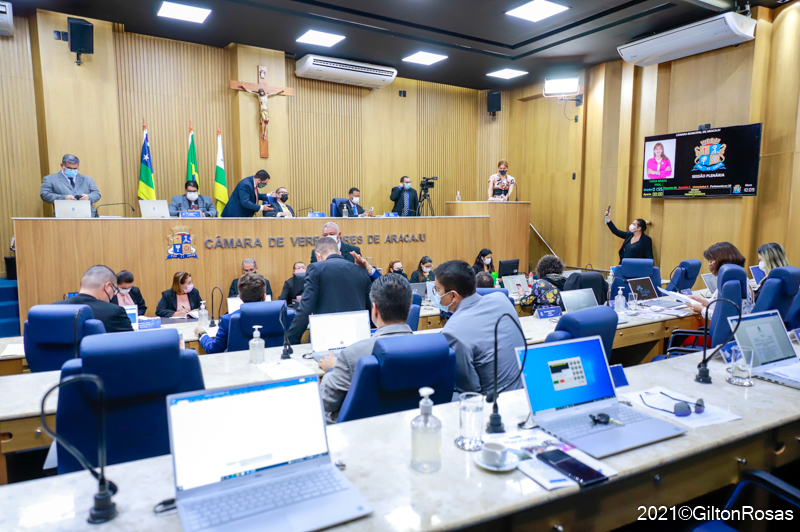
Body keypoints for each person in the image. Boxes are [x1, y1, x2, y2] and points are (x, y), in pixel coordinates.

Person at [318, 274, 414, 422]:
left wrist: (331, 369)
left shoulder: (352, 355)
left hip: (360, 434)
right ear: (409, 308)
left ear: (375, 309)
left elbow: (326, 402)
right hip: (408, 426)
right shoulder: (432, 348)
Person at [432, 260, 523, 396]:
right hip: (527, 391)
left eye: (438, 290)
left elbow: (469, 390)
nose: (435, 294)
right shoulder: (501, 299)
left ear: (453, 296)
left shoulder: (452, 332)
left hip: (494, 406)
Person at [287, 237, 373, 344]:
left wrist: (291, 339)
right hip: (358, 337)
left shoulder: (315, 268)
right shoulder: (361, 270)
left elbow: (306, 307)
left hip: (327, 337)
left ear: (318, 255)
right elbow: (371, 305)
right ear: (339, 252)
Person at [195, 273, 269, 354]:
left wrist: (202, 335)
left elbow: (214, 350)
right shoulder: (281, 316)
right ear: (264, 296)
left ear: (239, 297)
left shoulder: (228, 320)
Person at [53, 265, 133, 333]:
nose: (114, 293)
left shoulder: (55, 308)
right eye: (114, 289)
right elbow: (130, 345)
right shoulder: (115, 312)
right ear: (108, 286)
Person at [686, 242, 754, 318]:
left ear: (720, 261)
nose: (710, 264)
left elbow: (723, 317)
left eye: (711, 261)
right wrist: (702, 301)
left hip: (733, 328)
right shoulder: (741, 277)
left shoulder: (730, 284)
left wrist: (701, 309)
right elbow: (720, 305)